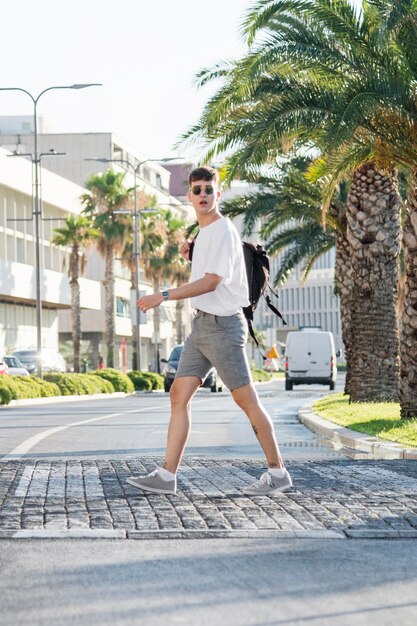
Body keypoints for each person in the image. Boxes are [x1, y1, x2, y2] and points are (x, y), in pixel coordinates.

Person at [126, 166, 292, 496]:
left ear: (218, 194)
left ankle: (277, 473)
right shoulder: (204, 235)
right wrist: (191, 253)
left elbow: (212, 282)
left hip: (223, 328)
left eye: (208, 190)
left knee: (247, 402)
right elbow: (212, 275)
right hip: (201, 327)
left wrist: (162, 296)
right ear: (189, 196)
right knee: (178, 395)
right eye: (197, 190)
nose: (203, 195)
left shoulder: (222, 230)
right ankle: (167, 476)